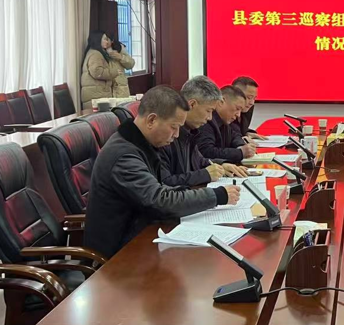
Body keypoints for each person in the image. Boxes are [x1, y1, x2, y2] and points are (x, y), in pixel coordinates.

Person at [84, 86, 241, 258]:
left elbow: (161, 188)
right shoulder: (124, 156)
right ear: (151, 120)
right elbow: (160, 200)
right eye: (174, 127)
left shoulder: (142, 145)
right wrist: (217, 196)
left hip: (143, 235)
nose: (176, 135)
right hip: (120, 253)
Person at [159, 77, 248, 187]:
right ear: (192, 104)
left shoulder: (190, 130)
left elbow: (199, 160)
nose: (210, 117)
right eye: (208, 111)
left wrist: (221, 165)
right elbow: (164, 183)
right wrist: (204, 174)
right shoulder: (165, 134)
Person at [195, 85, 257, 163]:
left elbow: (234, 135)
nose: (238, 115)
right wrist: (240, 152)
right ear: (222, 102)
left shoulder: (224, 121)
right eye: (237, 109)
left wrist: (241, 145)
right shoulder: (207, 120)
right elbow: (206, 151)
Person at [80, 31, 134, 110]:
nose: (108, 42)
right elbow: (97, 72)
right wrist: (114, 72)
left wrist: (120, 57)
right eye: (105, 39)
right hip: (103, 94)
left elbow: (131, 64)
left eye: (109, 39)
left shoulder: (118, 48)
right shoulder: (97, 53)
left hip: (120, 91)